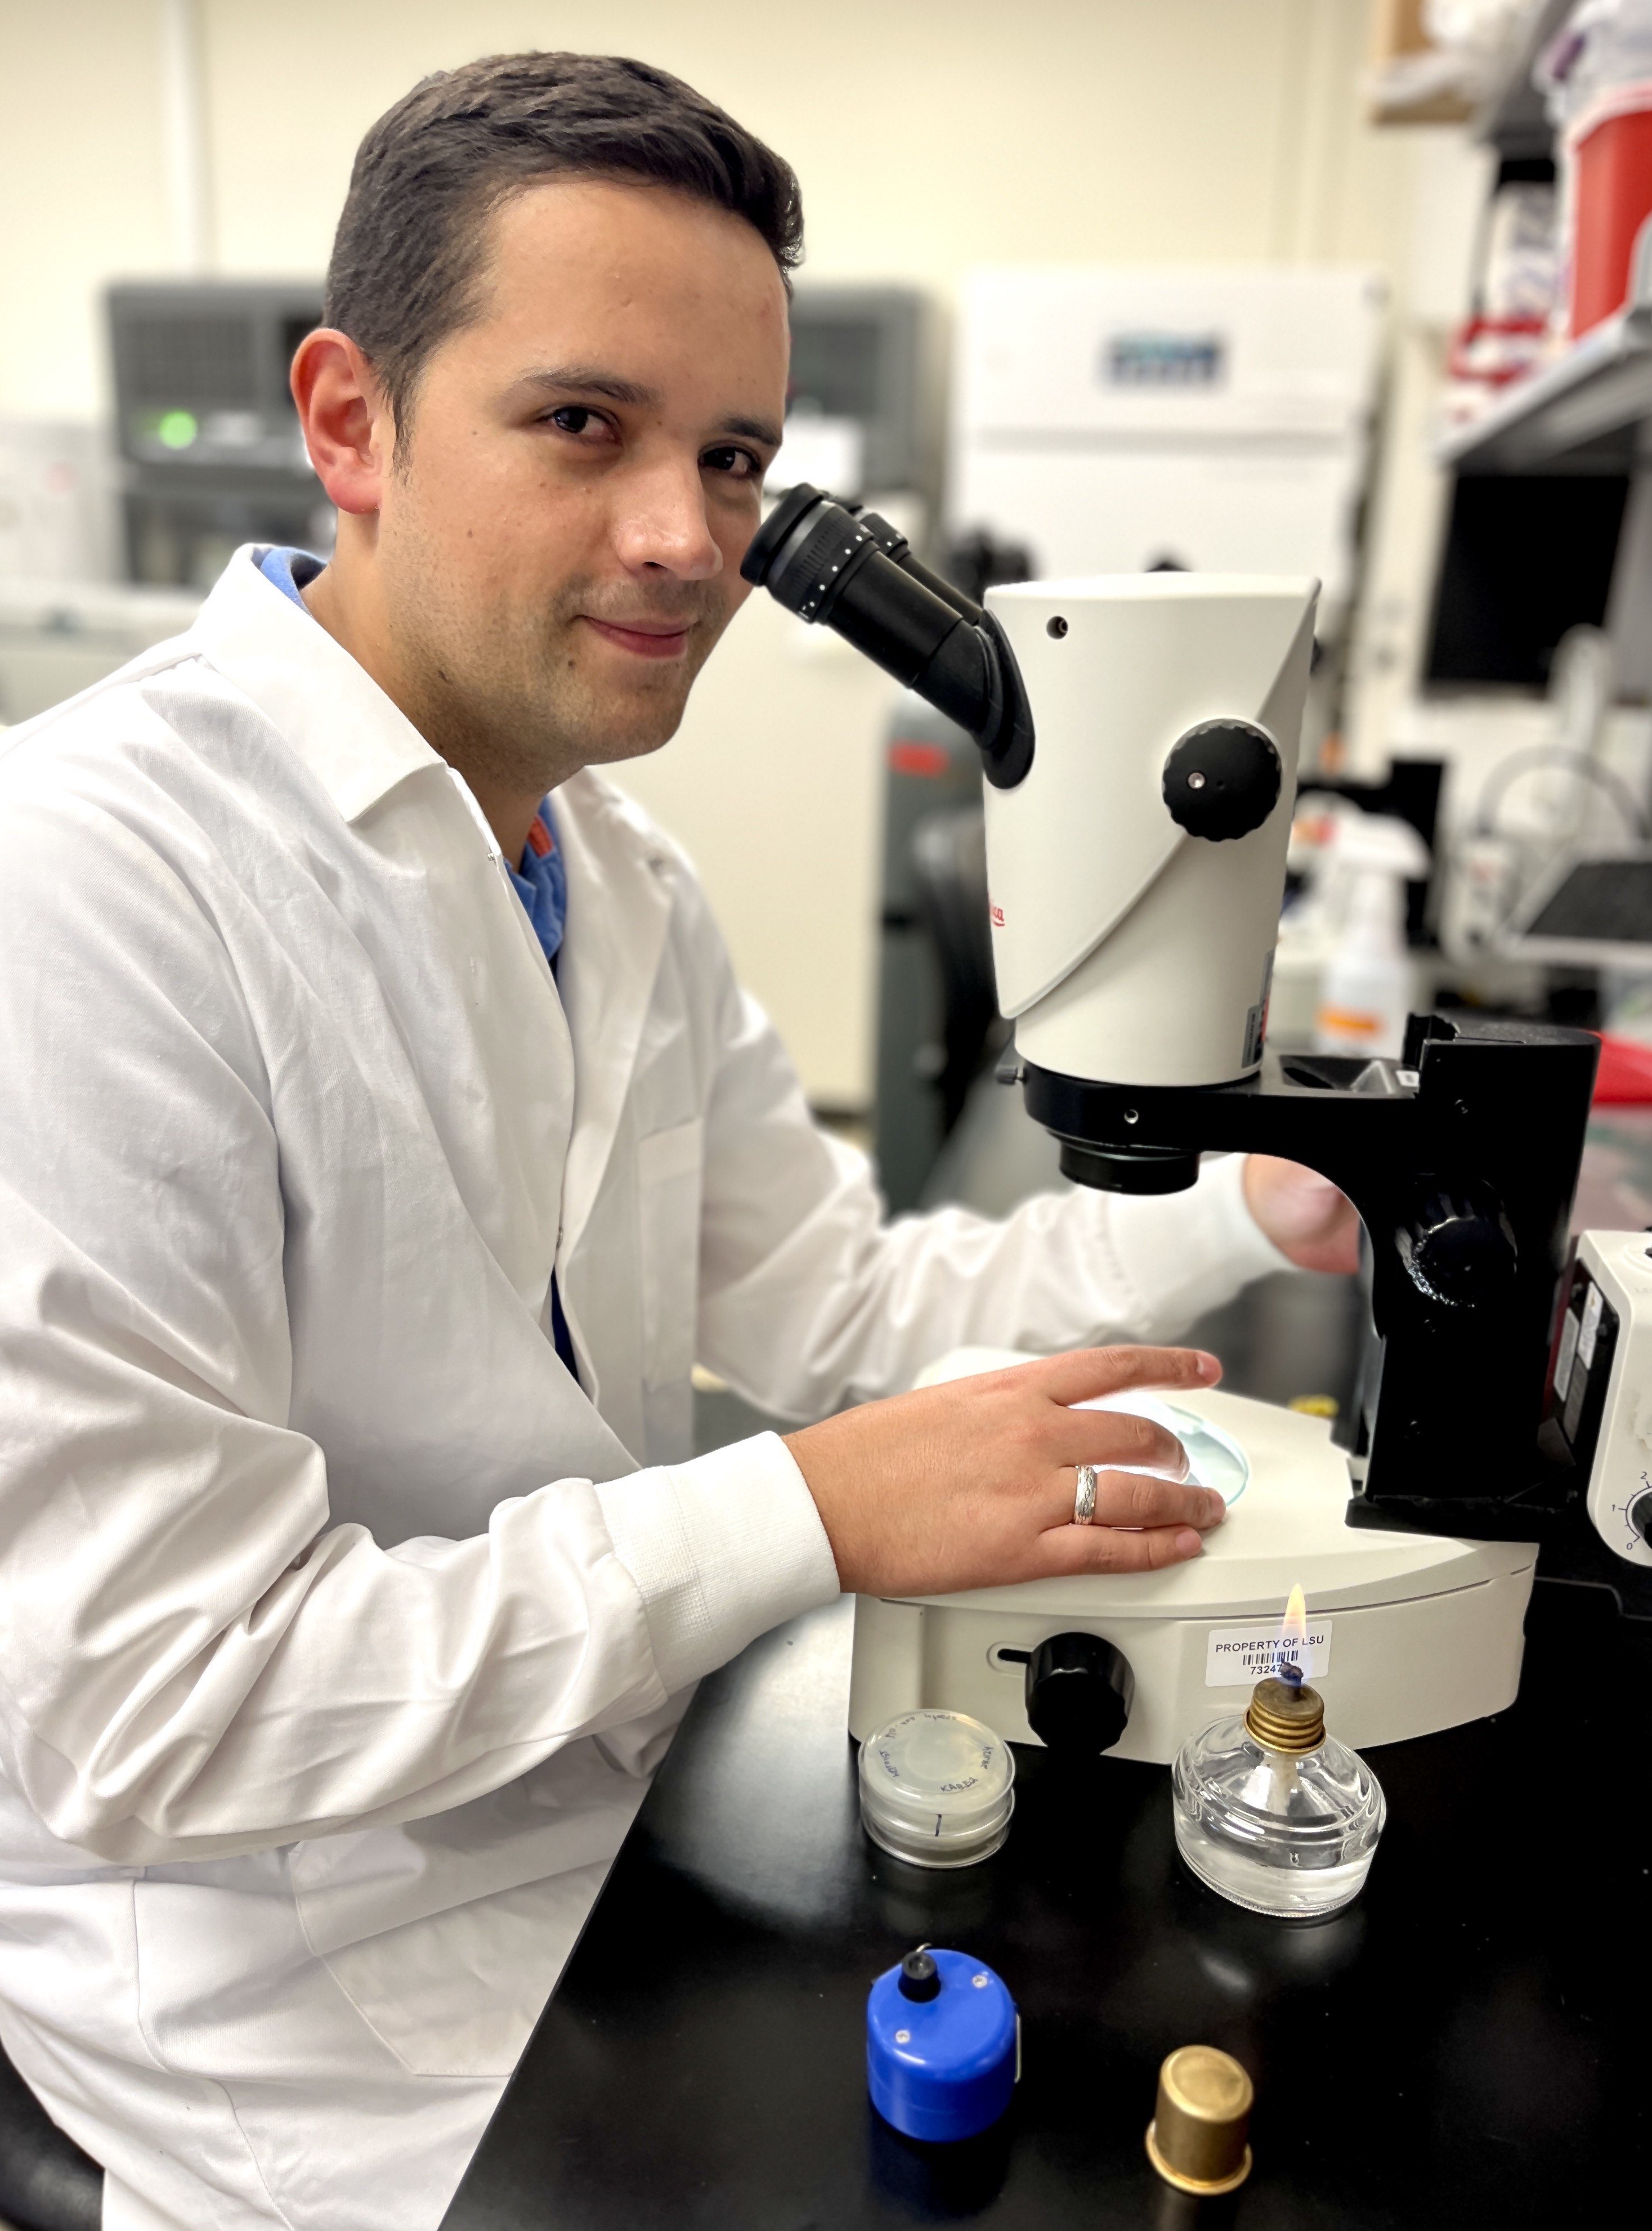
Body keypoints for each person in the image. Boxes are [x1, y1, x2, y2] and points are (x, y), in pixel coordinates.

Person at [0, 51, 1358, 2231]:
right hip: (301, 1999)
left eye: (732, 456)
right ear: (349, 420)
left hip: (613, 1809)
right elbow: (162, 1710)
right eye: (582, 423)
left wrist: (1253, 1205)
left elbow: (840, 1306)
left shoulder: (613, 872)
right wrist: (804, 1504)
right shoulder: (83, 883)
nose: (687, 539)